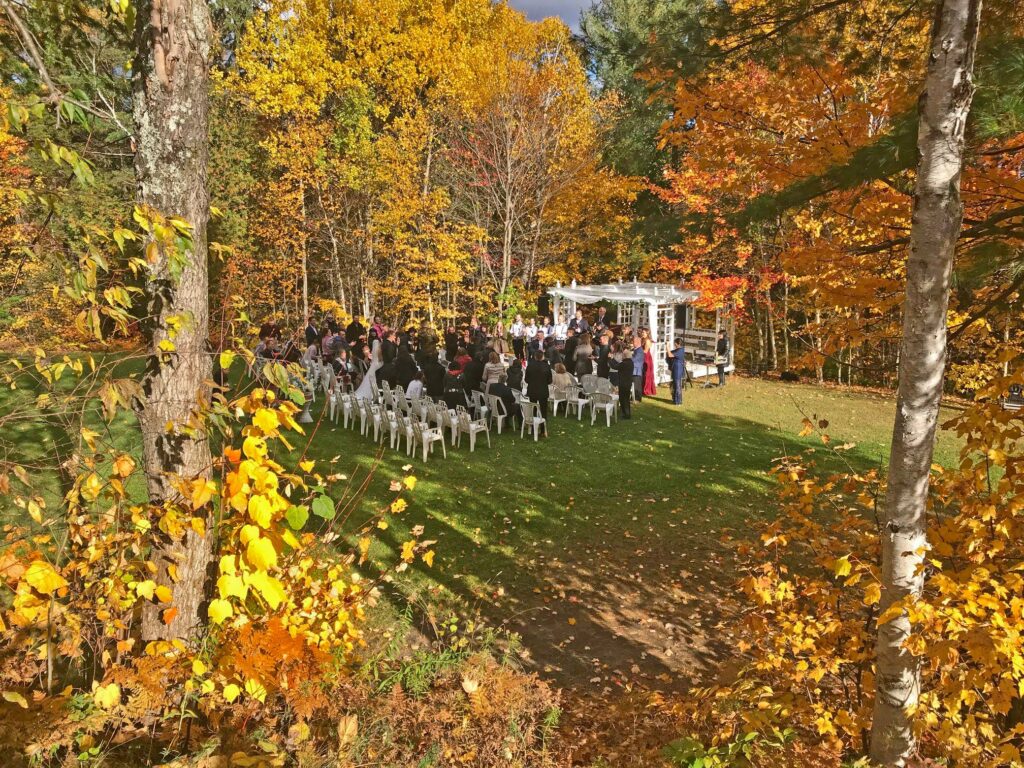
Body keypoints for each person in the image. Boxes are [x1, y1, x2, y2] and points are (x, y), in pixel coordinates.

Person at [524, 350, 552, 420]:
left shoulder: (530, 366)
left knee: (534, 409)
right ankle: (543, 427)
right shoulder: (547, 366)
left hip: (532, 390)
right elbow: (550, 381)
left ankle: (534, 426)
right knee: (543, 410)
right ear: (542, 357)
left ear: (535, 357)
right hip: (543, 391)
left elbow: (526, 380)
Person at [616, 343, 634, 419]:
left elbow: (615, 366)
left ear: (624, 356)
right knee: (626, 399)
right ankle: (627, 413)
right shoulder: (631, 362)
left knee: (623, 398)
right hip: (628, 382)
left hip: (623, 383)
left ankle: (625, 414)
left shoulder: (624, 363)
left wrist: (610, 359)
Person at [668, 337, 686, 405]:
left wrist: (667, 346)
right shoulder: (679, 350)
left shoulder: (680, 350)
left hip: (677, 369)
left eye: (675, 343)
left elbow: (670, 355)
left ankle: (678, 401)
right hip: (676, 368)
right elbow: (670, 353)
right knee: (675, 385)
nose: (674, 344)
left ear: (677, 344)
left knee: (677, 385)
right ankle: (676, 399)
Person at [631, 337, 646, 403]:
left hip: (637, 370)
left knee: (637, 385)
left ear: (637, 342)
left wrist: (628, 358)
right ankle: (634, 397)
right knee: (634, 385)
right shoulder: (636, 349)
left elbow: (634, 360)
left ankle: (638, 398)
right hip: (634, 370)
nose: (632, 343)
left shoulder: (639, 350)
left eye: (633, 342)